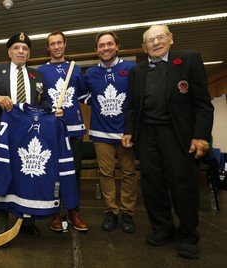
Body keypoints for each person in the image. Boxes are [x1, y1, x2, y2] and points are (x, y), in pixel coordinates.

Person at [122, 25, 214, 259]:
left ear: (171, 39)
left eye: (160, 37)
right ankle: (163, 229)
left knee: (183, 187)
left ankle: (188, 236)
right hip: (147, 137)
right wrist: (129, 131)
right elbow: (132, 107)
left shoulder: (189, 61)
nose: (155, 43)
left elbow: (203, 104)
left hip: (179, 136)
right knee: (152, 187)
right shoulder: (136, 72)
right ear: (144, 47)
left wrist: (200, 135)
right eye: (150, 40)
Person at [0, 32, 62, 239]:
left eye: (25, 49)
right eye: (16, 48)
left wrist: (52, 110)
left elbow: (43, 103)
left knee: (27, 177)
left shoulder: (38, 76)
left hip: (28, 136)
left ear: (29, 53)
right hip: (0, 134)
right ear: (9, 51)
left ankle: (26, 222)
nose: (21, 51)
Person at [83, 32, 137, 233]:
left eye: (109, 44)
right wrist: (96, 103)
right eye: (101, 45)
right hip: (101, 133)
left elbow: (137, 98)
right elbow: (82, 94)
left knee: (129, 174)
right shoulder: (90, 73)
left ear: (117, 46)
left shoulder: (131, 69)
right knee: (105, 173)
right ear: (96, 49)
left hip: (126, 134)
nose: (105, 48)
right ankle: (111, 212)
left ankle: (128, 213)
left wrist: (132, 130)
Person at [37, 31, 88, 232]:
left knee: (73, 172)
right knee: (53, 173)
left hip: (74, 130)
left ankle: (73, 211)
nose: (56, 47)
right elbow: (38, 101)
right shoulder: (41, 71)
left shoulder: (75, 69)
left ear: (65, 45)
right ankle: (54, 212)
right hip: (52, 130)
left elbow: (84, 95)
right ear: (48, 48)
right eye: (52, 44)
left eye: (60, 43)